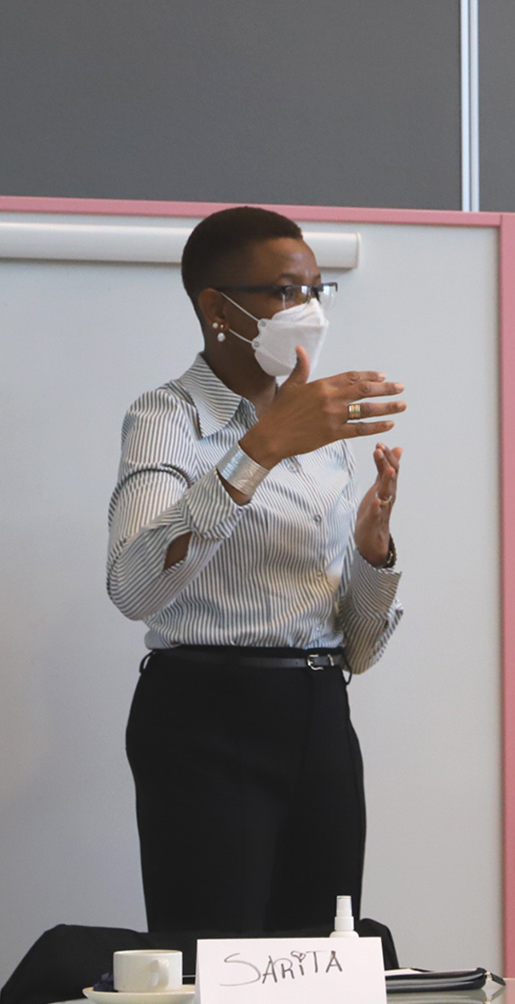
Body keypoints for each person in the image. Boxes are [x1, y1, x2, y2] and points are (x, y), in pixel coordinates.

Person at [106, 206, 407, 934]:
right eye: (282, 292)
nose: (304, 311)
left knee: (324, 963)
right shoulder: (166, 416)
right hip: (207, 715)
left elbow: (356, 651)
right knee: (217, 961)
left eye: (315, 290)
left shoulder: (321, 431)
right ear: (218, 308)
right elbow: (135, 585)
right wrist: (260, 449)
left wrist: (373, 552)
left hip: (318, 712)